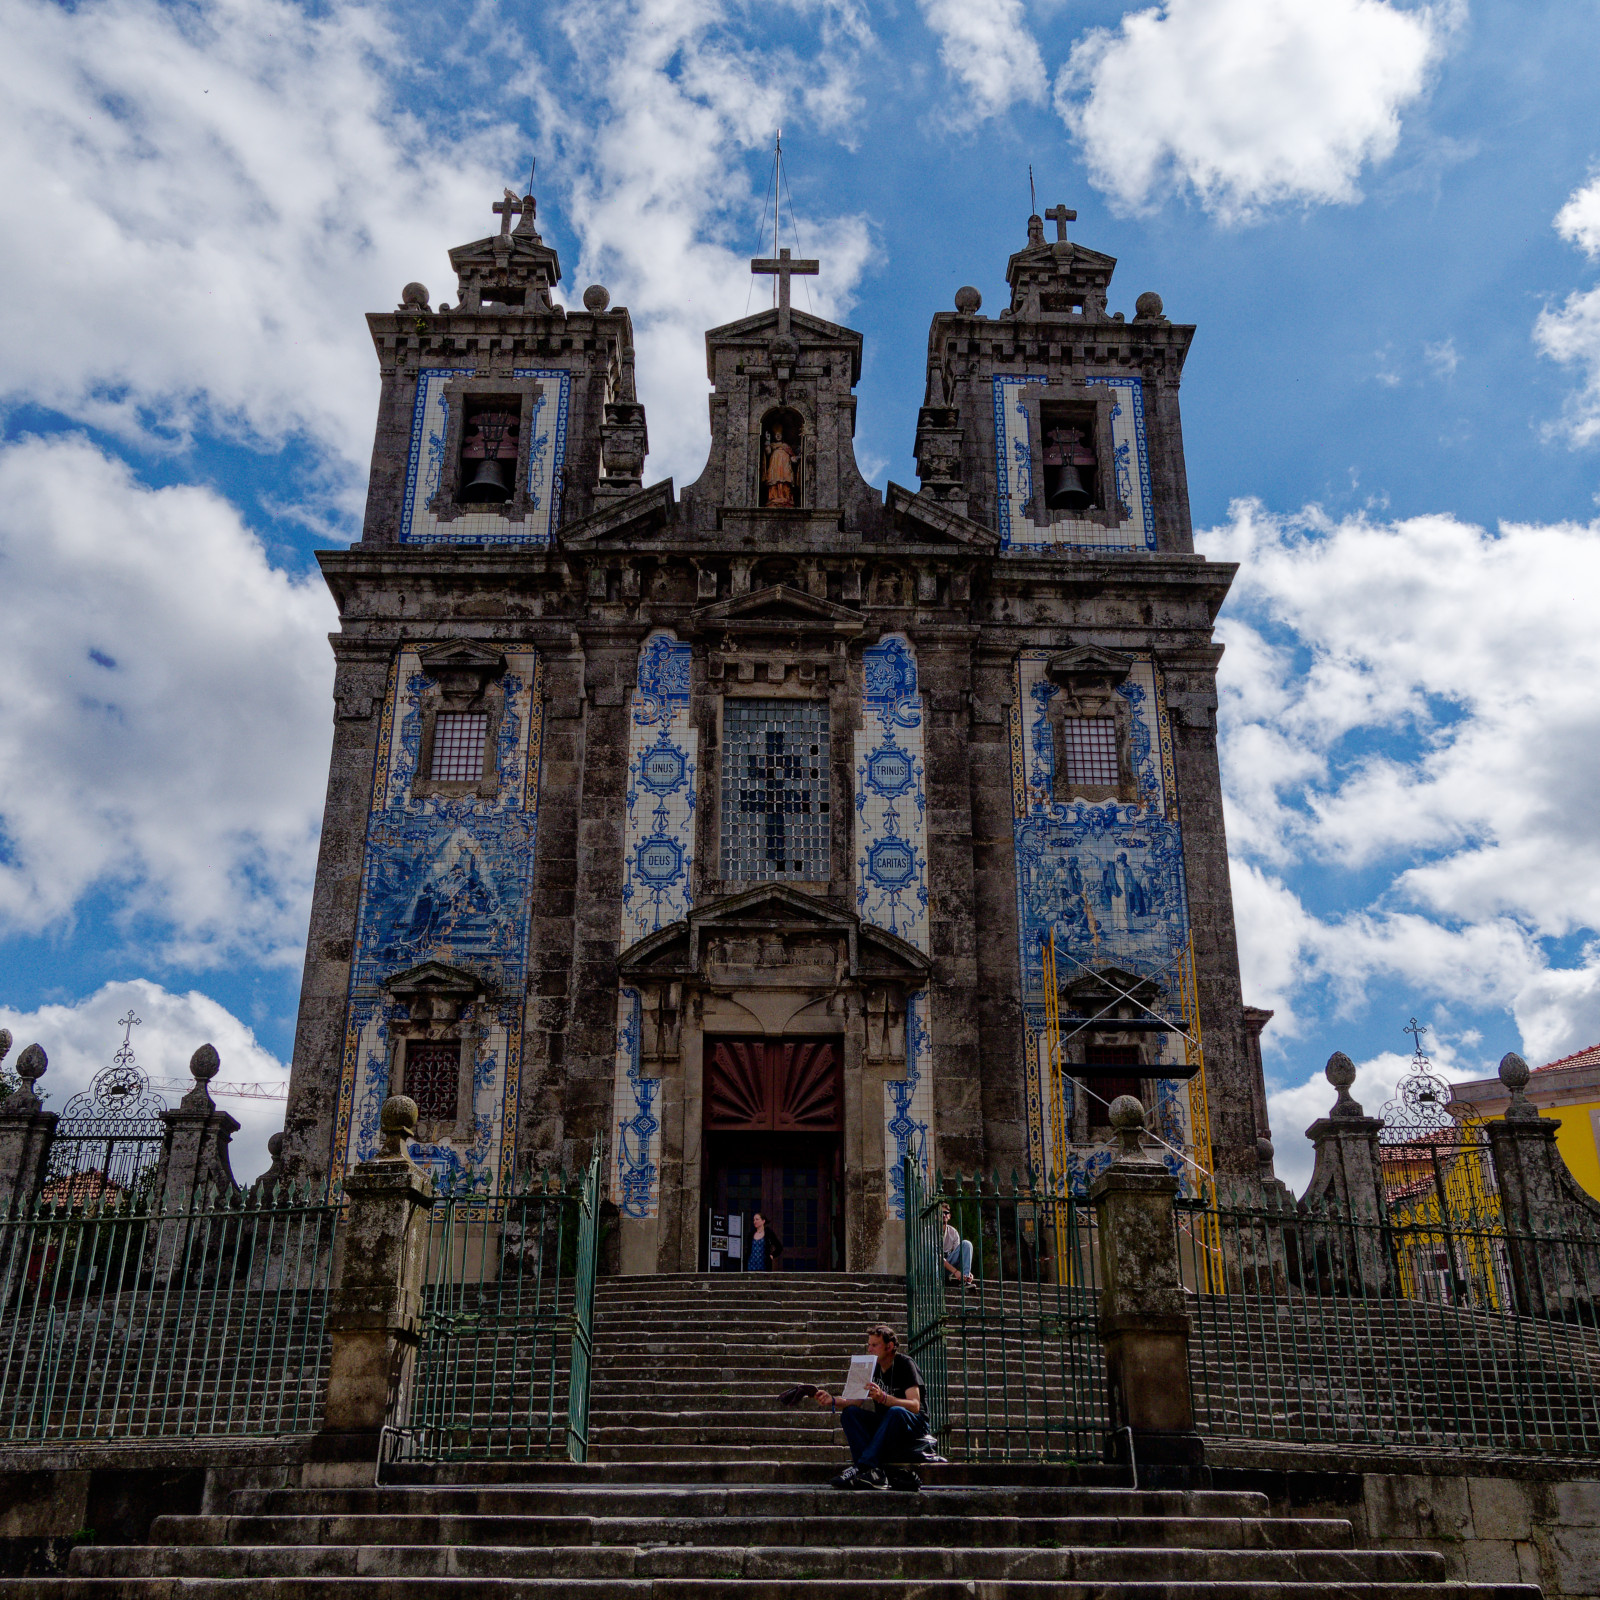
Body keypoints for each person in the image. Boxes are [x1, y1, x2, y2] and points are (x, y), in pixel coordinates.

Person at [815, 1324, 938, 1490]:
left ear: (890, 1346)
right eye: (869, 1345)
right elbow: (855, 1402)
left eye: (875, 1345)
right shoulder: (871, 1367)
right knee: (850, 1413)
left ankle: (863, 1466)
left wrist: (884, 1398)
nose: (870, 1349)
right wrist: (833, 1400)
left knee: (895, 1412)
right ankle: (873, 1473)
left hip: (913, 1424)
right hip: (886, 1424)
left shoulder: (905, 1364)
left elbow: (915, 1406)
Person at [940, 1203, 974, 1286]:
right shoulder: (929, 1230)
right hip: (933, 1267)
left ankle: (966, 1279)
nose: (944, 1215)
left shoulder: (953, 1232)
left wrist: (968, 1273)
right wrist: (955, 1272)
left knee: (966, 1244)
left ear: (949, 1216)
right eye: (941, 1213)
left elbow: (959, 1255)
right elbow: (937, 1258)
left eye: (946, 1213)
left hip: (947, 1265)